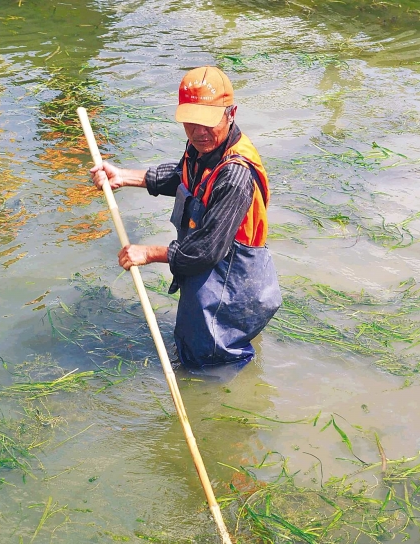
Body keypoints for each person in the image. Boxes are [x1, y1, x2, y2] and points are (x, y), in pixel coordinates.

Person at [89, 66, 282, 371]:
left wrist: (148, 253)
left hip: (233, 285)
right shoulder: (202, 147)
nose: (199, 132)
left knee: (210, 367)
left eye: (208, 122)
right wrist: (123, 176)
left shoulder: (235, 175)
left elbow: (205, 251)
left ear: (231, 114)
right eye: (191, 122)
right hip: (209, 274)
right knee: (195, 353)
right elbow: (185, 176)